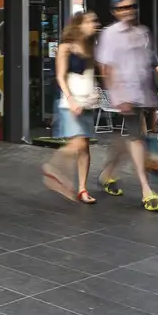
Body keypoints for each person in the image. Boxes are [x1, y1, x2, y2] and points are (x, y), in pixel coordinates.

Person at [94, 0, 158, 211]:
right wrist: (117, 94)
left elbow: (147, 67)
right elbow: (106, 67)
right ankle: (146, 190)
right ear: (115, 12)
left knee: (128, 140)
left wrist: (153, 95)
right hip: (124, 96)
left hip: (142, 95)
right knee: (137, 139)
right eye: (122, 8)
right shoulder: (110, 34)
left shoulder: (143, 33)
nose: (128, 11)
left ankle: (107, 174)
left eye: (131, 6)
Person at [44, 11, 99, 204]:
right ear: (79, 24)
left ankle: (82, 189)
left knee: (85, 148)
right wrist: (71, 99)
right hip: (70, 104)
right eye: (90, 21)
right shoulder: (65, 47)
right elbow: (60, 76)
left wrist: (95, 92)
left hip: (87, 103)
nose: (94, 23)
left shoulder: (92, 47)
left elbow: (92, 74)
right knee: (79, 143)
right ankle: (53, 169)